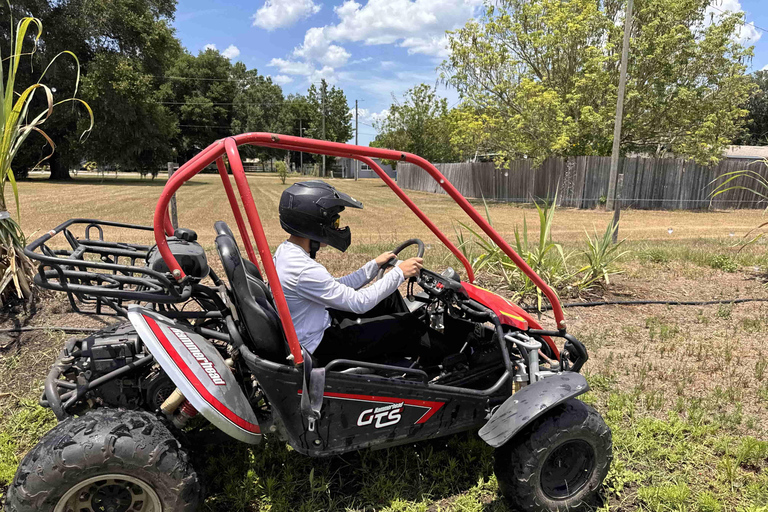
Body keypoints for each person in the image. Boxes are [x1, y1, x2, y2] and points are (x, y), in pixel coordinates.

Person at [273, 180, 428, 362]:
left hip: (318, 324)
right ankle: (429, 368)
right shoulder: (303, 269)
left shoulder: (287, 252)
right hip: (321, 346)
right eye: (334, 221)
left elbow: (335, 286)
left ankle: (397, 353)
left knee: (389, 297)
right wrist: (399, 272)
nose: (337, 227)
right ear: (314, 223)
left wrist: (373, 266)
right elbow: (358, 302)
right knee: (409, 326)